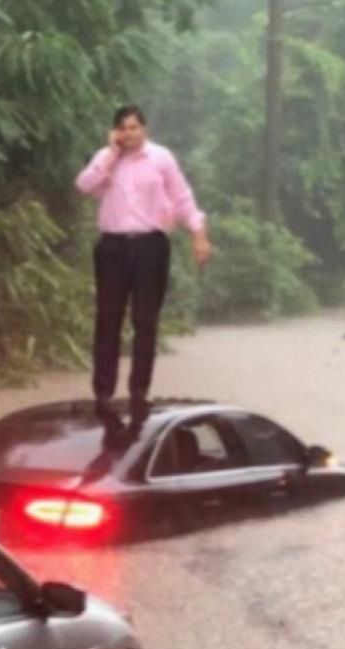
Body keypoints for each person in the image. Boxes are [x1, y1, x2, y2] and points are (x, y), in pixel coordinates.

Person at [75, 104, 211, 420]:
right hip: (112, 247)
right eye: (122, 128)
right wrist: (110, 156)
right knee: (107, 320)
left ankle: (139, 391)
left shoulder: (160, 158)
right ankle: (104, 392)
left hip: (151, 246)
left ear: (144, 130)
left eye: (134, 127)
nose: (128, 133)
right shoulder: (105, 158)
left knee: (145, 321)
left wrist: (198, 234)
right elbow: (83, 186)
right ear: (115, 132)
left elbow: (182, 197)